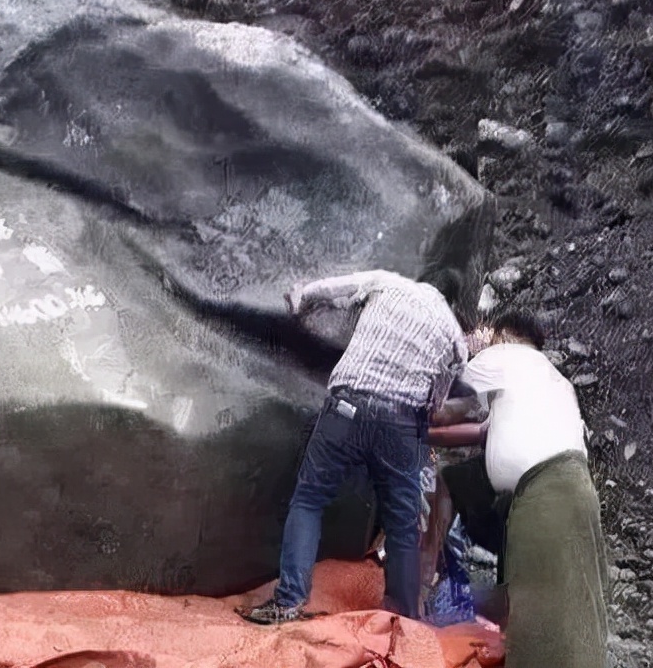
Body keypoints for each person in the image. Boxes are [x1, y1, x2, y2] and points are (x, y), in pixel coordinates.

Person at [241, 267, 468, 625]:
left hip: (347, 408)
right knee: (402, 525)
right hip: (401, 425)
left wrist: (300, 296)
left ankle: (288, 602)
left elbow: (332, 287)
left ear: (422, 276)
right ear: (451, 301)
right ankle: (401, 618)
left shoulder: (388, 282)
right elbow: (436, 404)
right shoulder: (454, 334)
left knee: (310, 499)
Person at [428, 310, 607, 668]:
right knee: (571, 596)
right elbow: (479, 431)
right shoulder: (548, 379)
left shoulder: (503, 356)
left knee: (533, 597)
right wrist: (429, 435)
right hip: (577, 491)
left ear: (503, 336)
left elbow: (442, 404)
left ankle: (427, 595)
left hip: (545, 491)